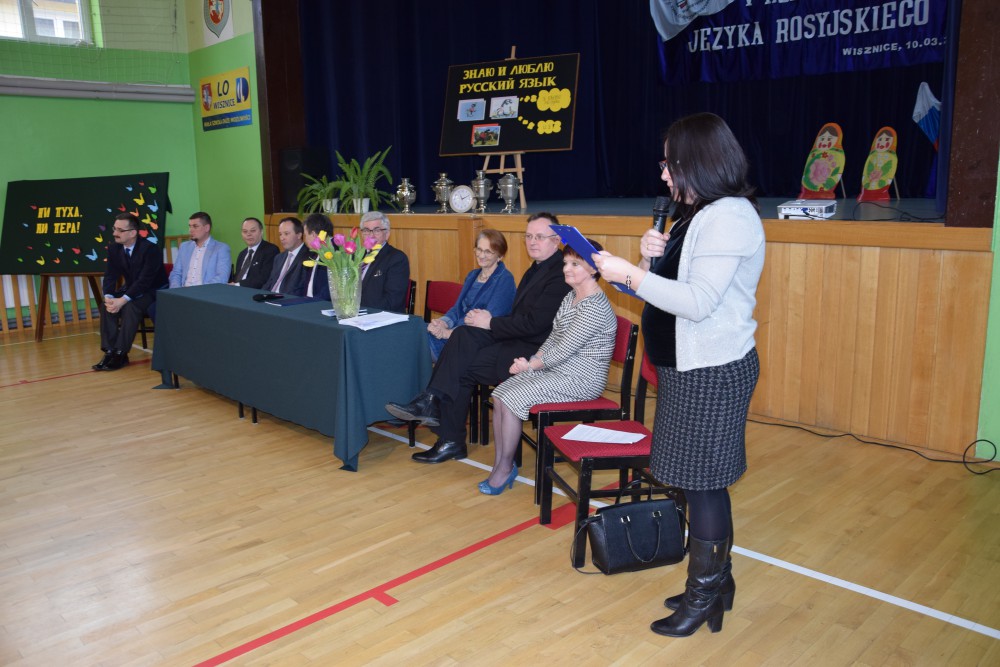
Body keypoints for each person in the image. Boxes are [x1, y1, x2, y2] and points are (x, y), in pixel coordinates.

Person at [593, 112, 765, 638]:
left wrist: (630, 274)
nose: (663, 172)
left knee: (704, 486)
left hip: (712, 371)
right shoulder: (697, 214)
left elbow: (697, 303)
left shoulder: (730, 217)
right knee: (695, 482)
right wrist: (650, 264)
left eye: (670, 162)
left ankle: (703, 596)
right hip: (686, 369)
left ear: (698, 161)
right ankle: (718, 583)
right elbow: (669, 290)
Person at [385, 213, 571, 464]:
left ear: (556, 239)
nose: (532, 242)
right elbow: (517, 317)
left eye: (539, 237)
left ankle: (443, 427)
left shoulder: (559, 274)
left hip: (533, 352)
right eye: (528, 236)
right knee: (461, 342)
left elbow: (535, 325)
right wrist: (470, 323)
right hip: (515, 339)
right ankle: (438, 418)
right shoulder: (537, 268)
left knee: (460, 364)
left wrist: (490, 322)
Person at [483, 241, 615, 495]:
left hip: (582, 379)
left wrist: (530, 365)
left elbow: (564, 349)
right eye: (565, 263)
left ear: (593, 268)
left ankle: (504, 468)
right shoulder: (571, 296)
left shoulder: (595, 306)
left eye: (575, 264)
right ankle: (501, 464)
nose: (566, 268)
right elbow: (553, 338)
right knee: (499, 394)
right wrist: (533, 361)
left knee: (511, 398)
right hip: (560, 369)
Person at [426, 228, 516, 361]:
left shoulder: (505, 280)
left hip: (474, 341)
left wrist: (449, 333)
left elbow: (489, 322)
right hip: (455, 334)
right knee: (416, 331)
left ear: (500, 256)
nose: (481, 255)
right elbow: (457, 309)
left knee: (416, 345)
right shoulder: (472, 275)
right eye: (479, 249)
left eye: (488, 251)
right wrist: (442, 323)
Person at [93, 212, 168, 371]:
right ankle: (110, 351)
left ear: (133, 233)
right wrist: (109, 296)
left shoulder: (150, 249)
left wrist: (122, 300)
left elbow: (144, 281)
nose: (115, 233)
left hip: (153, 291)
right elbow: (110, 275)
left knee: (131, 307)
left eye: (120, 230)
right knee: (106, 307)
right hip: (132, 288)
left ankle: (121, 353)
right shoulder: (114, 249)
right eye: (114, 229)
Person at [357, 211, 410, 311]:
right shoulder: (355, 256)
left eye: (377, 230)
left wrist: (359, 310)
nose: (371, 236)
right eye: (366, 231)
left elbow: (392, 301)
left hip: (381, 316)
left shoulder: (396, 259)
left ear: (387, 234)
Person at [168, 212, 232, 288]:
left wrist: (198, 291)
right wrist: (176, 290)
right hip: (182, 292)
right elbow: (176, 273)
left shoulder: (221, 248)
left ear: (207, 228)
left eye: (195, 226)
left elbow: (222, 278)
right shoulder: (184, 247)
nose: (190, 230)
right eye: (190, 226)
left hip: (205, 292)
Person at [263, 217, 309, 295]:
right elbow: (270, 283)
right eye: (280, 234)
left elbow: (301, 289)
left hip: (288, 299)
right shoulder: (279, 258)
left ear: (299, 235)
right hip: (270, 297)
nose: (282, 238)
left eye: (286, 234)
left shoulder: (309, 257)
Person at [232, 217, 280, 288]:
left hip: (255, 291)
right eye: (245, 231)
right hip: (236, 290)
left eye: (253, 231)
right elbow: (237, 277)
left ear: (261, 232)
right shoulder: (242, 254)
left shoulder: (270, 250)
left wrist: (238, 285)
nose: (248, 234)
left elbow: (264, 278)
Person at [302, 213, 335, 299]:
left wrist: (313, 302)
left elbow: (332, 287)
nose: (304, 240)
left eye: (305, 235)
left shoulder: (334, 252)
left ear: (313, 234)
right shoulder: (314, 253)